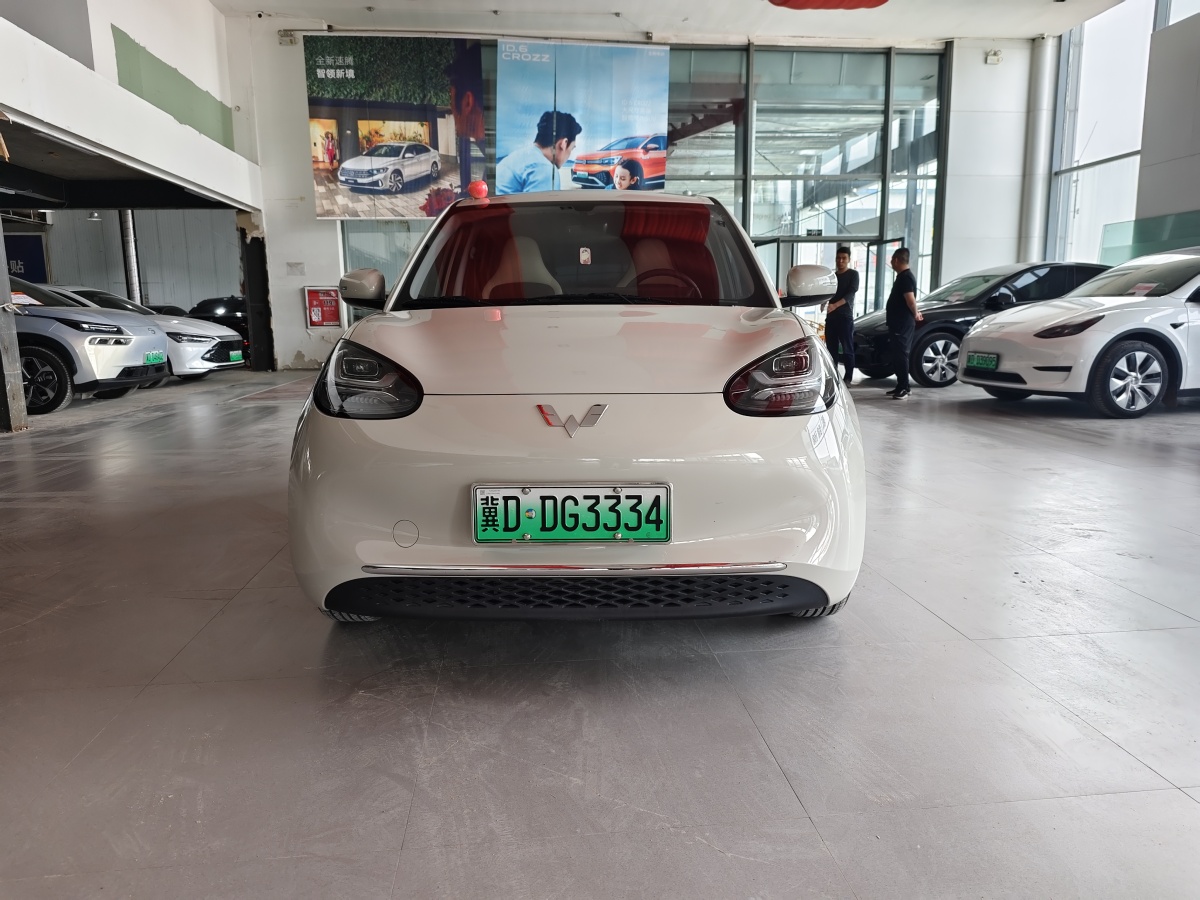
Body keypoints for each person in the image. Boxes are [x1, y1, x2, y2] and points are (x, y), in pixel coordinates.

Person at [496, 111, 582, 194]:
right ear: (564, 143)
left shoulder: (517, 157)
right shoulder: (544, 169)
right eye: (572, 148)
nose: (570, 154)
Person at [885, 247, 923, 399]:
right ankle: (901, 385)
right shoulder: (903, 277)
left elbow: (910, 300)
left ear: (896, 260)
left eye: (891, 260)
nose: (891, 262)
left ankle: (904, 388)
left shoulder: (906, 278)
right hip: (897, 323)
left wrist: (916, 314)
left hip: (902, 323)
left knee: (901, 355)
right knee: (898, 355)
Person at [825, 246, 858, 384]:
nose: (840, 261)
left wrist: (835, 305)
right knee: (831, 349)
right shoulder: (833, 276)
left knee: (847, 348)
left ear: (849, 259)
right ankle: (833, 377)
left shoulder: (853, 274)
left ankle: (848, 377)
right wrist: (824, 302)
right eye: (838, 258)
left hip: (845, 317)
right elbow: (828, 291)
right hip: (831, 317)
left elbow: (850, 294)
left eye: (844, 258)